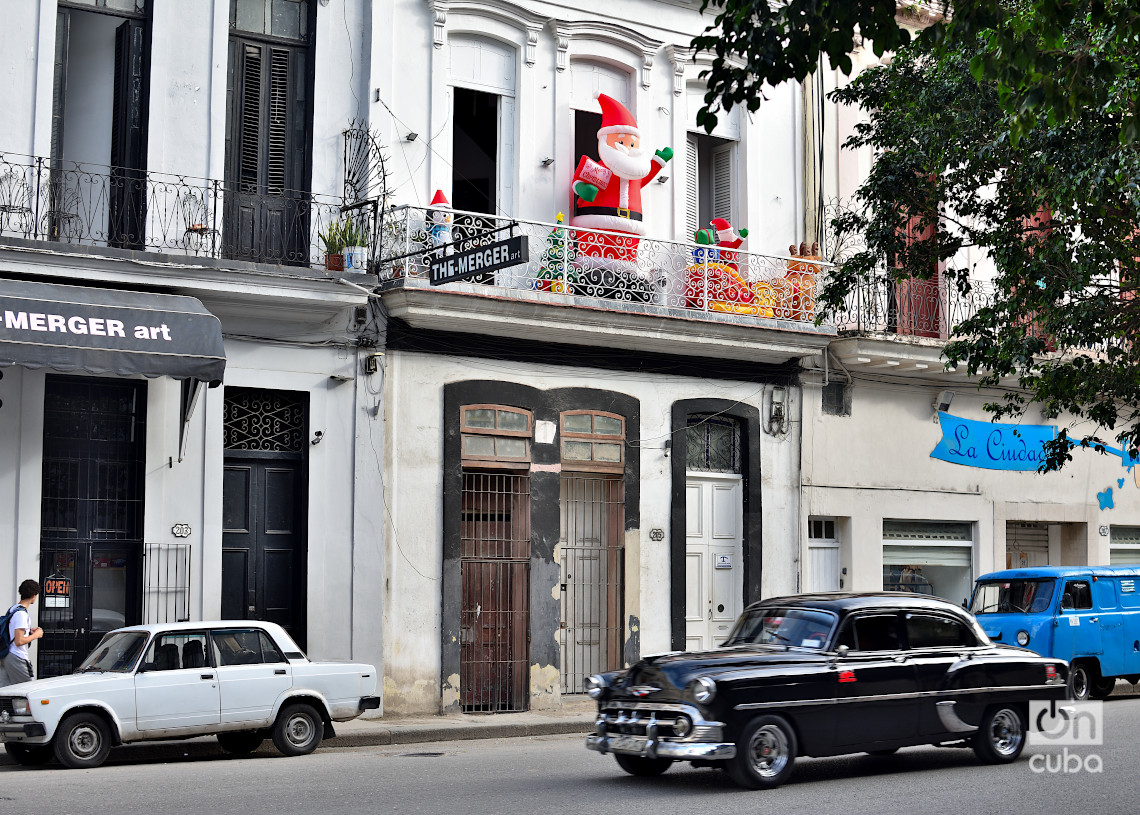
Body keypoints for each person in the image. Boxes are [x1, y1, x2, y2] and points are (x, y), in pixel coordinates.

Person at [0, 579, 44, 687]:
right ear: (34, 595)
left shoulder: (13, 609)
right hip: (17, 656)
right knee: (28, 689)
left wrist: (28, 631)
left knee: (6, 690)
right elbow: (19, 641)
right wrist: (36, 635)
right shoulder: (22, 614)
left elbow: (12, 631)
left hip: (6, 654)